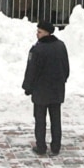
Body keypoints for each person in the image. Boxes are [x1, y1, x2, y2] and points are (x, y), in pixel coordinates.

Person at [22, 21, 69, 155]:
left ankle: (41, 146)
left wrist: (27, 87)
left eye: (39, 32)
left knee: (40, 120)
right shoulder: (61, 46)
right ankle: (56, 146)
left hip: (40, 90)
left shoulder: (37, 49)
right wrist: (62, 80)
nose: (37, 34)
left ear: (47, 33)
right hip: (56, 89)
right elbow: (66, 67)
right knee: (56, 119)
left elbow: (31, 70)